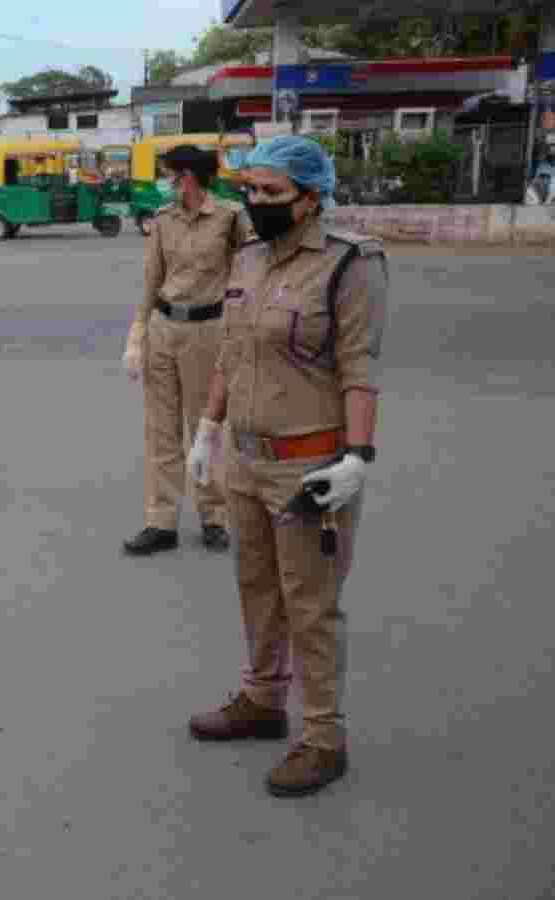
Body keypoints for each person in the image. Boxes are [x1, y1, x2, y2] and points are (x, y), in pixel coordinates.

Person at [185, 136, 388, 798]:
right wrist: (208, 429)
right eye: (251, 191)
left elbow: (360, 370)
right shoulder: (246, 259)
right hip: (245, 459)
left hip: (309, 467)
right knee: (257, 589)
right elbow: (229, 355)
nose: (256, 203)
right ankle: (264, 701)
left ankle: (325, 738)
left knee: (311, 605)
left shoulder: (349, 265)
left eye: (272, 193)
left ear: (310, 199)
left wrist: (358, 457)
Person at [121, 145, 250, 556]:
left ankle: (213, 516)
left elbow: (248, 272)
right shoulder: (163, 219)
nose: (164, 181)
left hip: (207, 331)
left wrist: (240, 329)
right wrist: (137, 334)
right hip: (163, 326)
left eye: (168, 174)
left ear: (187, 176)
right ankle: (161, 521)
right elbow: (152, 278)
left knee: (204, 427)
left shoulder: (230, 218)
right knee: (160, 429)